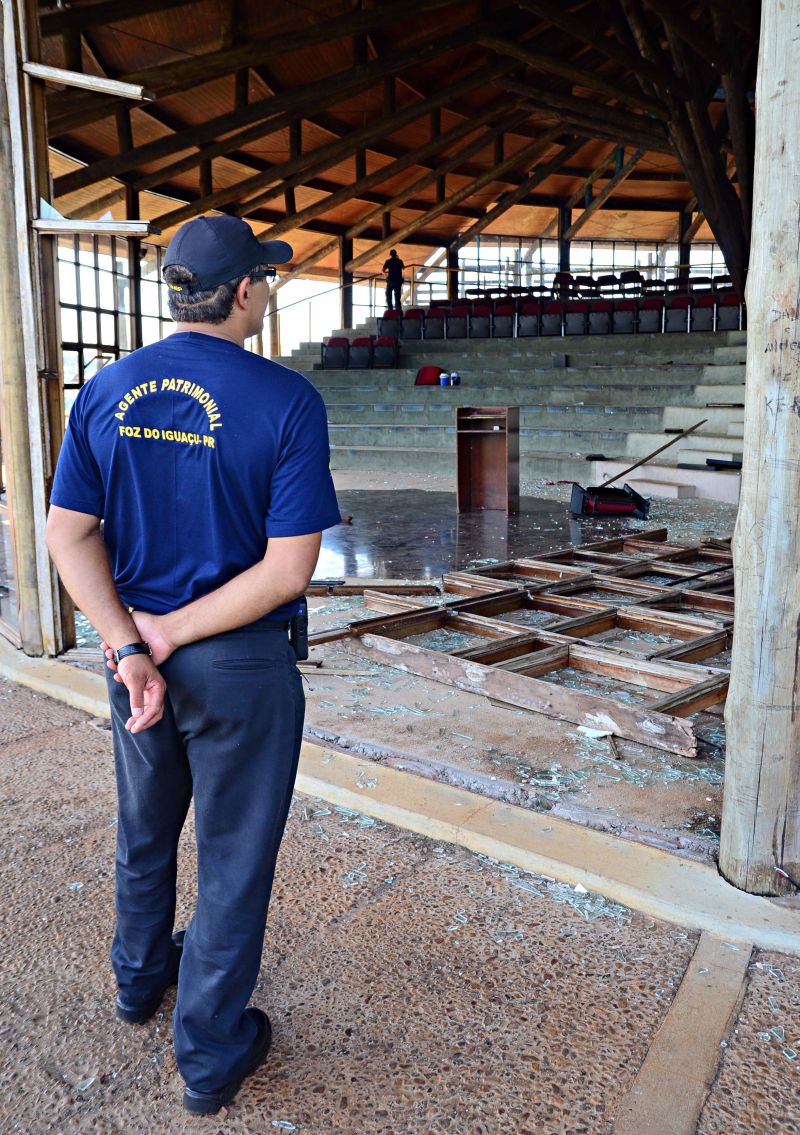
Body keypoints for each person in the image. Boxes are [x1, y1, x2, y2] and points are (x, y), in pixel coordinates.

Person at [45, 215, 341, 1115]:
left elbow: (68, 534)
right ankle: (210, 1054)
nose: (268, 293)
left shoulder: (106, 388)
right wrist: (170, 635)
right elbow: (287, 570)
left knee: (145, 824)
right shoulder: (287, 400)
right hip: (238, 667)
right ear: (245, 290)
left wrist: (132, 642)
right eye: (266, 280)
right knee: (233, 856)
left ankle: (139, 979)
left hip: (132, 657)